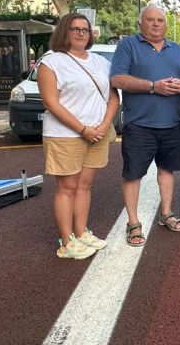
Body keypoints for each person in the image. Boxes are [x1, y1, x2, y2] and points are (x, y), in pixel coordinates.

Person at [38, 13, 120, 259]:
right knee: (67, 187)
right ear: (65, 31)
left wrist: (104, 125)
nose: (81, 33)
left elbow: (113, 97)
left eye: (85, 29)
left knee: (85, 185)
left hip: (97, 133)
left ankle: (81, 232)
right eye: (75, 29)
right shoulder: (51, 62)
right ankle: (66, 241)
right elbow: (52, 103)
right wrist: (83, 129)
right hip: (66, 135)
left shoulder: (101, 63)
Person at [110, 5, 180, 246]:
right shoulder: (128, 46)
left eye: (160, 20)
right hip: (139, 124)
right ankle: (133, 223)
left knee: (167, 170)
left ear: (166, 24)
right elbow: (117, 79)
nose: (156, 24)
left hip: (173, 122)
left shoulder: (178, 50)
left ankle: (166, 212)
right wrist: (153, 86)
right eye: (150, 20)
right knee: (133, 174)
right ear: (140, 23)